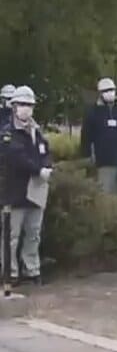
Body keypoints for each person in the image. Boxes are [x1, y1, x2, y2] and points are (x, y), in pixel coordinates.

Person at [0, 86, 52, 285]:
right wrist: (38, 170)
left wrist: (47, 165)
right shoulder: (7, 132)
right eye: (22, 104)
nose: (26, 109)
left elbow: (45, 151)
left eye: (29, 105)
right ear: (13, 106)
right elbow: (16, 156)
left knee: (33, 233)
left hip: (35, 190)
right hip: (14, 191)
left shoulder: (36, 131)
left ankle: (32, 270)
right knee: (11, 236)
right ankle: (10, 273)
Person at [81, 77, 117, 197]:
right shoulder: (93, 112)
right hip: (105, 161)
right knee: (106, 194)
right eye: (106, 90)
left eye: (112, 89)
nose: (110, 93)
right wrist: (87, 155)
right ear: (100, 93)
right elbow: (86, 136)